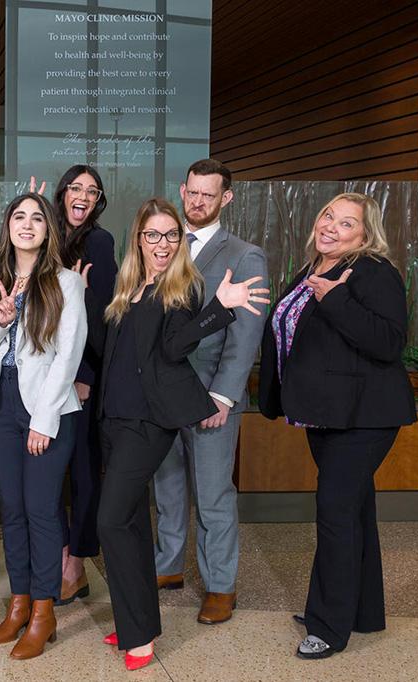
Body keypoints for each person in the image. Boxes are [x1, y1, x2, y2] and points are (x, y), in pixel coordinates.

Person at [87, 198, 268, 671]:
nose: (163, 244)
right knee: (129, 522)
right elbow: (114, 351)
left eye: (171, 235)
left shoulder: (184, 286)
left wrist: (220, 309)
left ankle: (141, 636)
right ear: (139, 240)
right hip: (114, 417)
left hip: (150, 422)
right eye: (153, 235)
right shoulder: (129, 285)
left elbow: (173, 345)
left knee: (110, 520)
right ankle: (135, 625)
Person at [258, 193, 416, 660]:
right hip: (327, 416)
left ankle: (328, 626)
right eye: (329, 215)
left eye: (347, 223)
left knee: (335, 513)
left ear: (364, 237)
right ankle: (361, 611)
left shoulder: (372, 272)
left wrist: (338, 298)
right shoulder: (310, 270)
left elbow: (389, 342)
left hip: (364, 418)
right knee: (354, 512)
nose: (332, 226)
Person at [0, 193, 87, 659]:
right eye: (19, 216)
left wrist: (44, 419)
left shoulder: (66, 282)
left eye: (38, 218)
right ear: (8, 226)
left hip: (47, 411)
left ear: (48, 230)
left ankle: (43, 611)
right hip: (0, 408)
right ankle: (18, 604)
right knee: (12, 510)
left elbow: (68, 355)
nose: (28, 224)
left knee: (41, 510)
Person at [152, 159, 268, 624]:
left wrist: (223, 397)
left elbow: (246, 336)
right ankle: (168, 567)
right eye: (192, 192)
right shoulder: (162, 245)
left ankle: (220, 584)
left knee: (214, 493)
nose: (197, 201)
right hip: (163, 394)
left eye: (208, 194)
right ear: (182, 190)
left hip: (209, 397)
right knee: (167, 486)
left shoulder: (244, 254)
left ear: (226, 198)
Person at [48, 165, 118, 605]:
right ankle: (60, 561)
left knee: (82, 474)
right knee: (51, 474)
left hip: (79, 378)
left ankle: (74, 567)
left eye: (92, 191)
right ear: (63, 193)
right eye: (76, 187)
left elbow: (102, 317)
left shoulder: (100, 241)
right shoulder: (49, 237)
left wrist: (82, 377)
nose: (84, 196)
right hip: (43, 375)